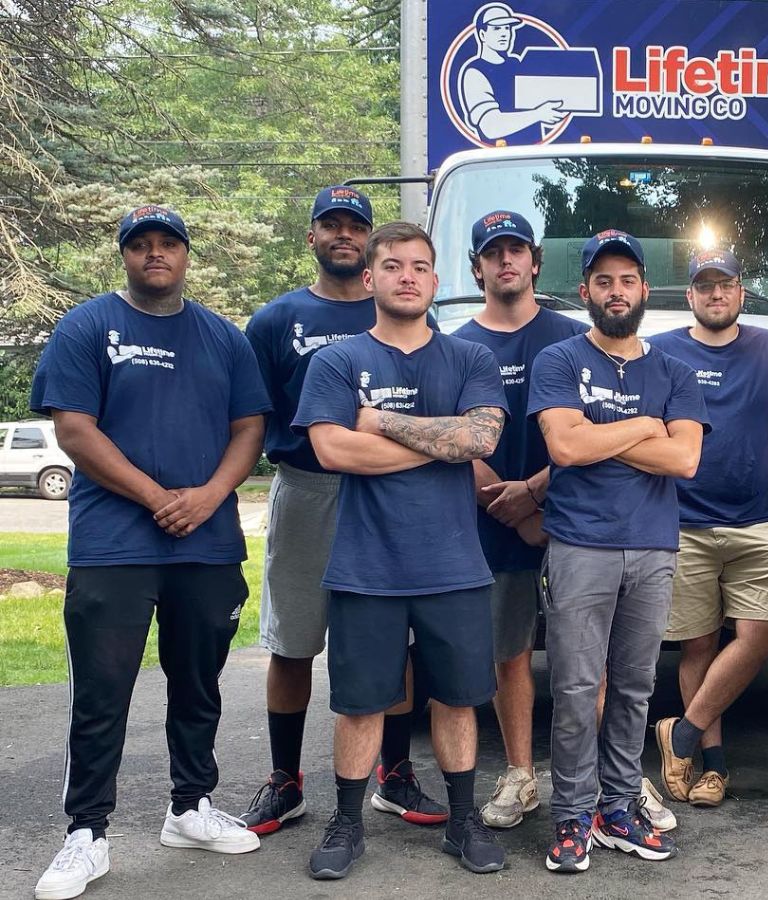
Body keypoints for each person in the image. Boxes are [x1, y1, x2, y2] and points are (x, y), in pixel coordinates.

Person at [32, 206, 270, 900]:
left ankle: (190, 808)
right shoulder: (86, 327)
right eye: (141, 245)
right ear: (125, 256)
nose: (155, 254)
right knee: (102, 691)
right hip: (113, 544)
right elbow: (75, 430)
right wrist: (157, 497)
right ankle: (86, 833)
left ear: (186, 255)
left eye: (168, 243)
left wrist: (209, 496)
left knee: (198, 683)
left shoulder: (223, 337)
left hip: (207, 542)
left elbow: (249, 427)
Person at [292, 222, 510, 880]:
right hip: (366, 567)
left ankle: (463, 820)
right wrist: (438, 443)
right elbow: (333, 450)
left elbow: (480, 441)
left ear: (436, 281)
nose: (407, 276)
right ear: (370, 279)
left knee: (458, 699)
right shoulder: (337, 362)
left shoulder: (469, 358)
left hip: (454, 565)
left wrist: (381, 422)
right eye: (392, 266)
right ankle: (347, 824)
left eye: (419, 266)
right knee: (360, 704)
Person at [240, 186, 448, 837]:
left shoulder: (401, 311)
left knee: (394, 639)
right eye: (330, 224)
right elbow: (253, 415)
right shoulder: (276, 320)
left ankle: (395, 772)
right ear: (312, 237)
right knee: (293, 640)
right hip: (308, 486)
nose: (343, 235)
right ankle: (285, 779)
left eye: (354, 226)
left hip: (388, 490)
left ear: (369, 244)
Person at [528, 229, 707, 873]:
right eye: (603, 281)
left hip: (653, 547)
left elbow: (684, 459)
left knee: (634, 686)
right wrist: (642, 426)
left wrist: (596, 431)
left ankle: (619, 807)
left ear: (644, 289)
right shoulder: (558, 360)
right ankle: (573, 815)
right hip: (580, 545)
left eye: (627, 279)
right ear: (585, 291)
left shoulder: (675, 371)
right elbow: (564, 447)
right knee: (577, 688)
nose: (616, 291)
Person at [649, 249, 768, 808]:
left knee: (763, 634)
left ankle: (680, 734)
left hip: (756, 520)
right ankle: (711, 768)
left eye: (726, 284)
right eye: (705, 285)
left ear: (741, 291)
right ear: (689, 295)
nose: (716, 294)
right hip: (683, 521)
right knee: (699, 645)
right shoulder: (660, 351)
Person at [453, 210, 586, 829]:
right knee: (510, 654)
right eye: (492, 252)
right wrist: (505, 508)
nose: (505, 260)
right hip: (490, 524)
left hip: (573, 520)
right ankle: (520, 775)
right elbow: (454, 440)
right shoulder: (455, 346)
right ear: (477, 267)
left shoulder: (575, 337)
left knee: (586, 660)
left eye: (516, 250)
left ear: (535, 261)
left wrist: (536, 499)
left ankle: (595, 778)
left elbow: (596, 429)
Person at [457, 2, 566, 142]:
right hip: (498, 155)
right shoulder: (475, 72)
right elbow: (490, 126)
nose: (504, 34)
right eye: (496, 28)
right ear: (482, 35)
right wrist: (538, 114)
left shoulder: (515, 63)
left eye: (507, 28)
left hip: (536, 153)